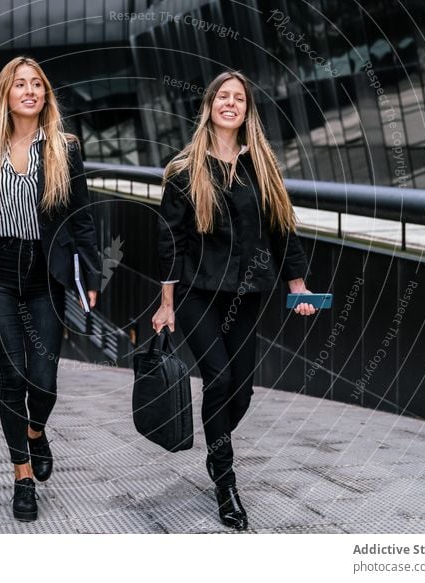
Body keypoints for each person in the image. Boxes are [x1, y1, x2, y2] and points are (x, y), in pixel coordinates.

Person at [151, 71, 317, 531]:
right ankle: (226, 481)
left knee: (240, 392)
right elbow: (171, 243)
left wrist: (297, 286)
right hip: (195, 292)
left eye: (238, 98)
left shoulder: (260, 167)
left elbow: (283, 230)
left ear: (247, 110)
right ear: (208, 107)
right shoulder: (185, 170)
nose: (230, 103)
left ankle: (215, 446)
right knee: (219, 380)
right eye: (222, 96)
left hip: (246, 293)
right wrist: (166, 302)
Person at [0, 56, 101, 522]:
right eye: (20, 84)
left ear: (45, 95)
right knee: (12, 377)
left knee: (44, 381)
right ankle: (22, 478)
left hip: (45, 274)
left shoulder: (64, 147)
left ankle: (36, 432)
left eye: (37, 84)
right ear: (6, 94)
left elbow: (82, 217)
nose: (30, 91)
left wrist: (91, 275)